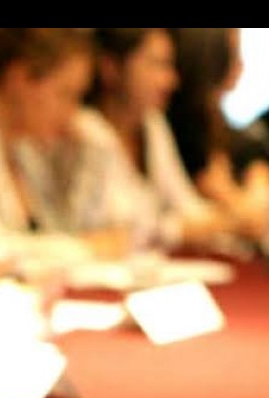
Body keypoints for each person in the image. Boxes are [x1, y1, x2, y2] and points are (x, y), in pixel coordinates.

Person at [0, 28, 109, 290]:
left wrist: (87, 157)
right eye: (65, 93)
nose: (72, 113)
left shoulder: (27, 152)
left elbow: (75, 227)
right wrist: (81, 248)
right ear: (19, 79)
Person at [75, 28, 230, 254]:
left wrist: (231, 219)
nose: (170, 80)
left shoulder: (153, 124)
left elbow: (186, 205)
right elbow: (111, 227)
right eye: (156, 64)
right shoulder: (86, 129)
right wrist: (222, 223)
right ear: (111, 67)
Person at [167, 28, 269, 240]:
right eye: (233, 55)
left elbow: (254, 161)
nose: (242, 65)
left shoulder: (216, 118)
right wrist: (251, 205)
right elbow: (215, 192)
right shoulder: (182, 124)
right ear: (210, 58)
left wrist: (258, 181)